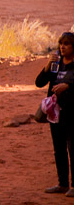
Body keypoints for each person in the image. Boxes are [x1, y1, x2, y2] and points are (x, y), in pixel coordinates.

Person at [36, 31, 74, 196]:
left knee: (73, 148)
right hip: (56, 113)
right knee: (59, 148)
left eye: (66, 44)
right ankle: (63, 184)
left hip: (72, 113)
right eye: (61, 44)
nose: (62, 47)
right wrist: (46, 67)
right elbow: (39, 83)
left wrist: (68, 86)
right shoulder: (56, 64)